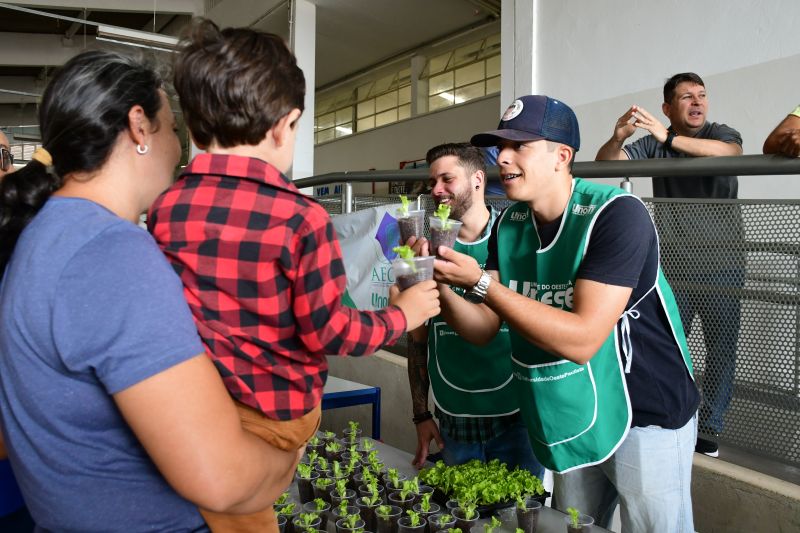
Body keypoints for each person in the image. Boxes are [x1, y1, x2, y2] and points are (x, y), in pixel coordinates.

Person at [148, 19, 440, 531]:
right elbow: (328, 330)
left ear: (192, 125)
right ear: (286, 124)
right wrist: (401, 314)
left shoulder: (168, 207)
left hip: (196, 408)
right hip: (273, 419)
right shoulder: (299, 219)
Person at [0, 50, 300, 531]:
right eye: (175, 129)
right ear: (140, 125)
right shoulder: (112, 253)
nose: (181, 149)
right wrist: (288, 451)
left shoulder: (43, 235)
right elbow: (221, 478)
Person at [431, 95, 699, 532]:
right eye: (501, 147)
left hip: (646, 412)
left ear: (562, 156)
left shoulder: (616, 215)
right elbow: (482, 329)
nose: (504, 157)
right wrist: (439, 279)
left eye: (521, 146)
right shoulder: (511, 222)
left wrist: (481, 283)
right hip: (570, 409)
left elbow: (582, 339)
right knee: (577, 525)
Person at [596, 72, 744, 458]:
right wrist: (617, 138)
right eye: (685, 97)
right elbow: (605, 169)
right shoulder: (652, 143)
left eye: (702, 95)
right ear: (667, 108)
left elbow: (730, 154)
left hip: (723, 264)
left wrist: (670, 138)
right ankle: (679, 413)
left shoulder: (720, 132)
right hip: (675, 266)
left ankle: (710, 427)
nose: (696, 102)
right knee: (670, 344)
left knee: (722, 351)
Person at [405, 143, 543, 478]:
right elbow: (417, 340)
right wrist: (422, 415)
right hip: (455, 417)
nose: (436, 190)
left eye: (447, 179)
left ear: (478, 180)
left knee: (521, 518)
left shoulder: (514, 237)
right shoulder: (422, 249)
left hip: (517, 417)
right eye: (433, 181)